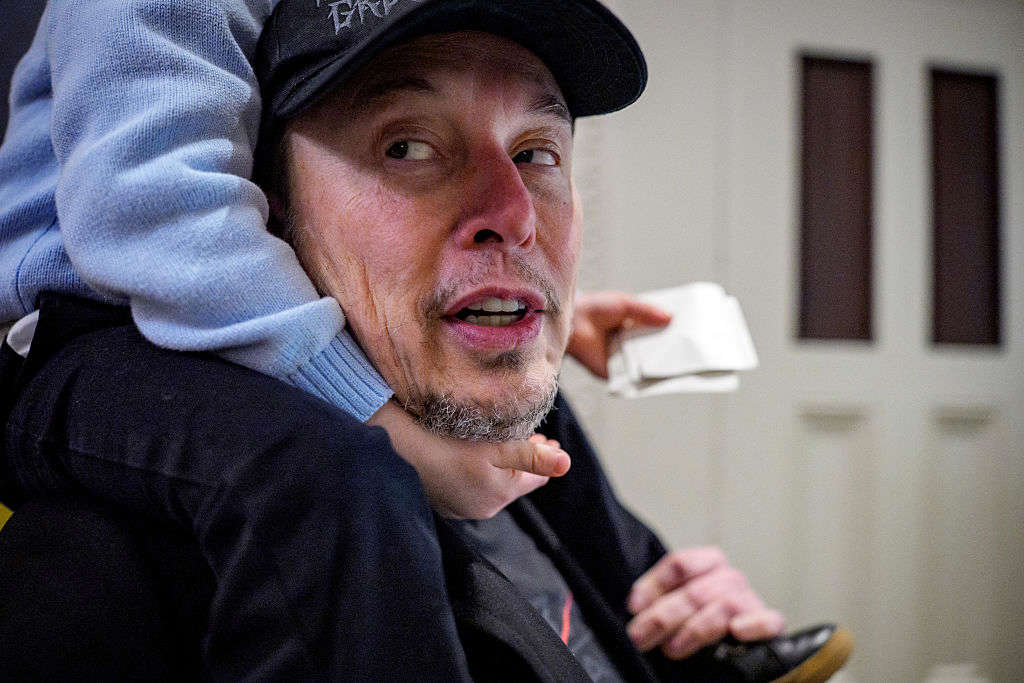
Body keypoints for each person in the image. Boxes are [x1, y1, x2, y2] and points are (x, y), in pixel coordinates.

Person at [0, 0, 853, 680]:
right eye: (407, 146)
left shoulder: (480, 419)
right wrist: (381, 419)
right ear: (267, 207)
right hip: (81, 330)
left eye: (536, 152)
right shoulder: (117, 576)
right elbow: (155, 214)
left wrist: (672, 635)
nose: (513, 215)